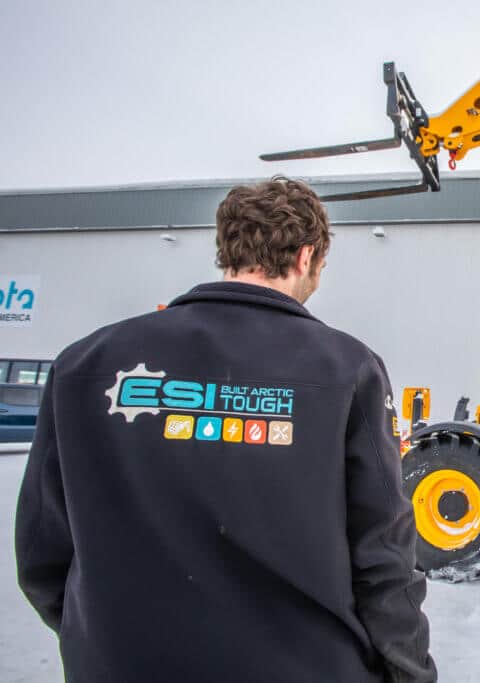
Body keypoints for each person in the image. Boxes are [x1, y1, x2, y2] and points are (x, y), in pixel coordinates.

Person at [15, 177, 436, 682]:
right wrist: (411, 672)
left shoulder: (86, 363)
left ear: (228, 249)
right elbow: (384, 558)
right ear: (306, 257)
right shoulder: (346, 370)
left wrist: (103, 640)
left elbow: (43, 552)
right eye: (320, 266)